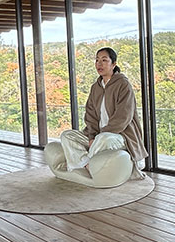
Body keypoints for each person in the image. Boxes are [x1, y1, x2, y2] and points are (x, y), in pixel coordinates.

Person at [44, 47, 148, 188]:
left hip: (119, 136)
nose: (99, 64)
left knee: (103, 138)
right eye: (97, 60)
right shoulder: (96, 87)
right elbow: (91, 115)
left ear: (114, 64)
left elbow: (123, 117)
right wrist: (92, 135)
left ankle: (81, 163)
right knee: (67, 135)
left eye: (104, 60)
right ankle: (88, 165)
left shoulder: (123, 85)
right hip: (97, 137)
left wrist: (100, 135)